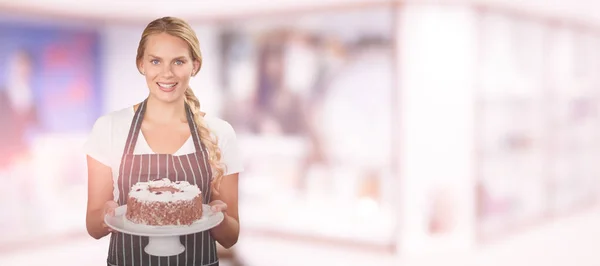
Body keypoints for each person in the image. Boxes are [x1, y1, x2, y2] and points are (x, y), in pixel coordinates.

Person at [83, 17, 244, 266]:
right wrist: (107, 216)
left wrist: (217, 216)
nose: (167, 73)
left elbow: (231, 236)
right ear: (141, 64)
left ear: (195, 65)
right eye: (155, 61)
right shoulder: (110, 127)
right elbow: (93, 226)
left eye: (178, 61)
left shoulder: (220, 132)